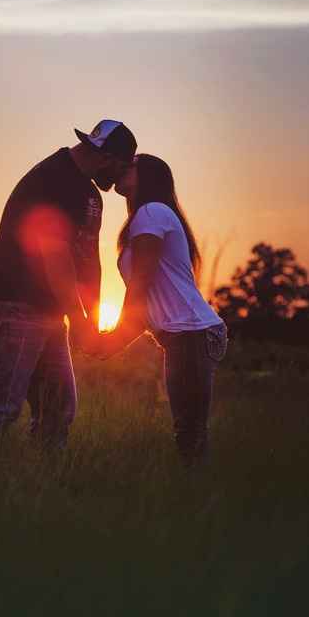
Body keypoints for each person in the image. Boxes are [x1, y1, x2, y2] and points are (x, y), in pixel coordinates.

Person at [0, 120, 138, 448]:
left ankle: (49, 484)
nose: (117, 179)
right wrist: (78, 319)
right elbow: (54, 257)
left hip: (48, 309)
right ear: (107, 158)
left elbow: (89, 261)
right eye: (120, 168)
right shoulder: (51, 180)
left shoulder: (89, 194)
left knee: (57, 407)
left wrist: (93, 318)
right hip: (15, 301)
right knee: (0, 405)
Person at [88, 154, 227, 465]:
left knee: (189, 431)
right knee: (189, 430)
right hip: (186, 334)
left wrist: (109, 342)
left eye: (131, 164)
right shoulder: (146, 217)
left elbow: (140, 286)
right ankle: (196, 495)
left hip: (191, 333)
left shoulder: (151, 212)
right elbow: (145, 309)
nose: (123, 166)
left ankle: (197, 501)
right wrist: (109, 345)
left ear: (149, 177)